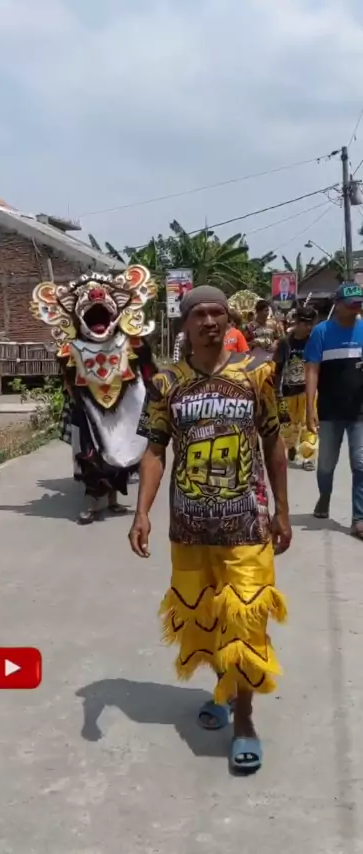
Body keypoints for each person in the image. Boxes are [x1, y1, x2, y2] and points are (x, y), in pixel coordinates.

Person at [129, 285, 291, 773]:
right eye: (198, 314)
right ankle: (223, 691)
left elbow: (274, 441)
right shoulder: (166, 383)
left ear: (228, 321)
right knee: (207, 619)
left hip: (247, 524)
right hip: (190, 529)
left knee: (246, 622)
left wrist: (282, 510)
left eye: (217, 313)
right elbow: (155, 449)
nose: (209, 321)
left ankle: (244, 720)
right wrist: (142, 512)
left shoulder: (258, 372)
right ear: (185, 324)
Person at [31, 265, 158, 524]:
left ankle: (112, 500)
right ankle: (91, 504)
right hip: (88, 409)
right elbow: (67, 380)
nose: (96, 297)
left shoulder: (133, 342)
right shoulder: (70, 349)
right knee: (91, 457)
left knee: (122, 451)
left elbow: (148, 373)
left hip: (125, 409)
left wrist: (154, 398)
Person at [305, 281, 363, 538]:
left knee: (361, 463)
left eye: (359, 304)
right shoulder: (322, 332)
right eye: (351, 304)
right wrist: (310, 407)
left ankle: (359, 518)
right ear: (337, 305)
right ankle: (324, 495)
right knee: (326, 464)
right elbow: (312, 370)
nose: (356, 308)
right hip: (329, 410)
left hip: (359, 411)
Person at [274, 306, 318, 471]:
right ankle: (291, 446)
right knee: (288, 427)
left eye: (311, 324)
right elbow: (278, 368)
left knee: (309, 424)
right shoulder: (285, 342)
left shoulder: (314, 341)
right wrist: (276, 391)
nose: (309, 327)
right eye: (305, 323)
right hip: (287, 391)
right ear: (297, 322)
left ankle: (308, 457)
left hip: (309, 392)